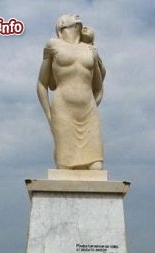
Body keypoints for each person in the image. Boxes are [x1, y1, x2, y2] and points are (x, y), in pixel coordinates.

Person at [37, 14, 105, 170]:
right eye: (71, 16)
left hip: (88, 113)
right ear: (62, 25)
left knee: (96, 168)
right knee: (64, 168)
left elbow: (99, 88)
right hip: (63, 111)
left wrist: (92, 106)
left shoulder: (89, 50)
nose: (76, 15)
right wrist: (49, 115)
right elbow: (42, 84)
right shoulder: (53, 45)